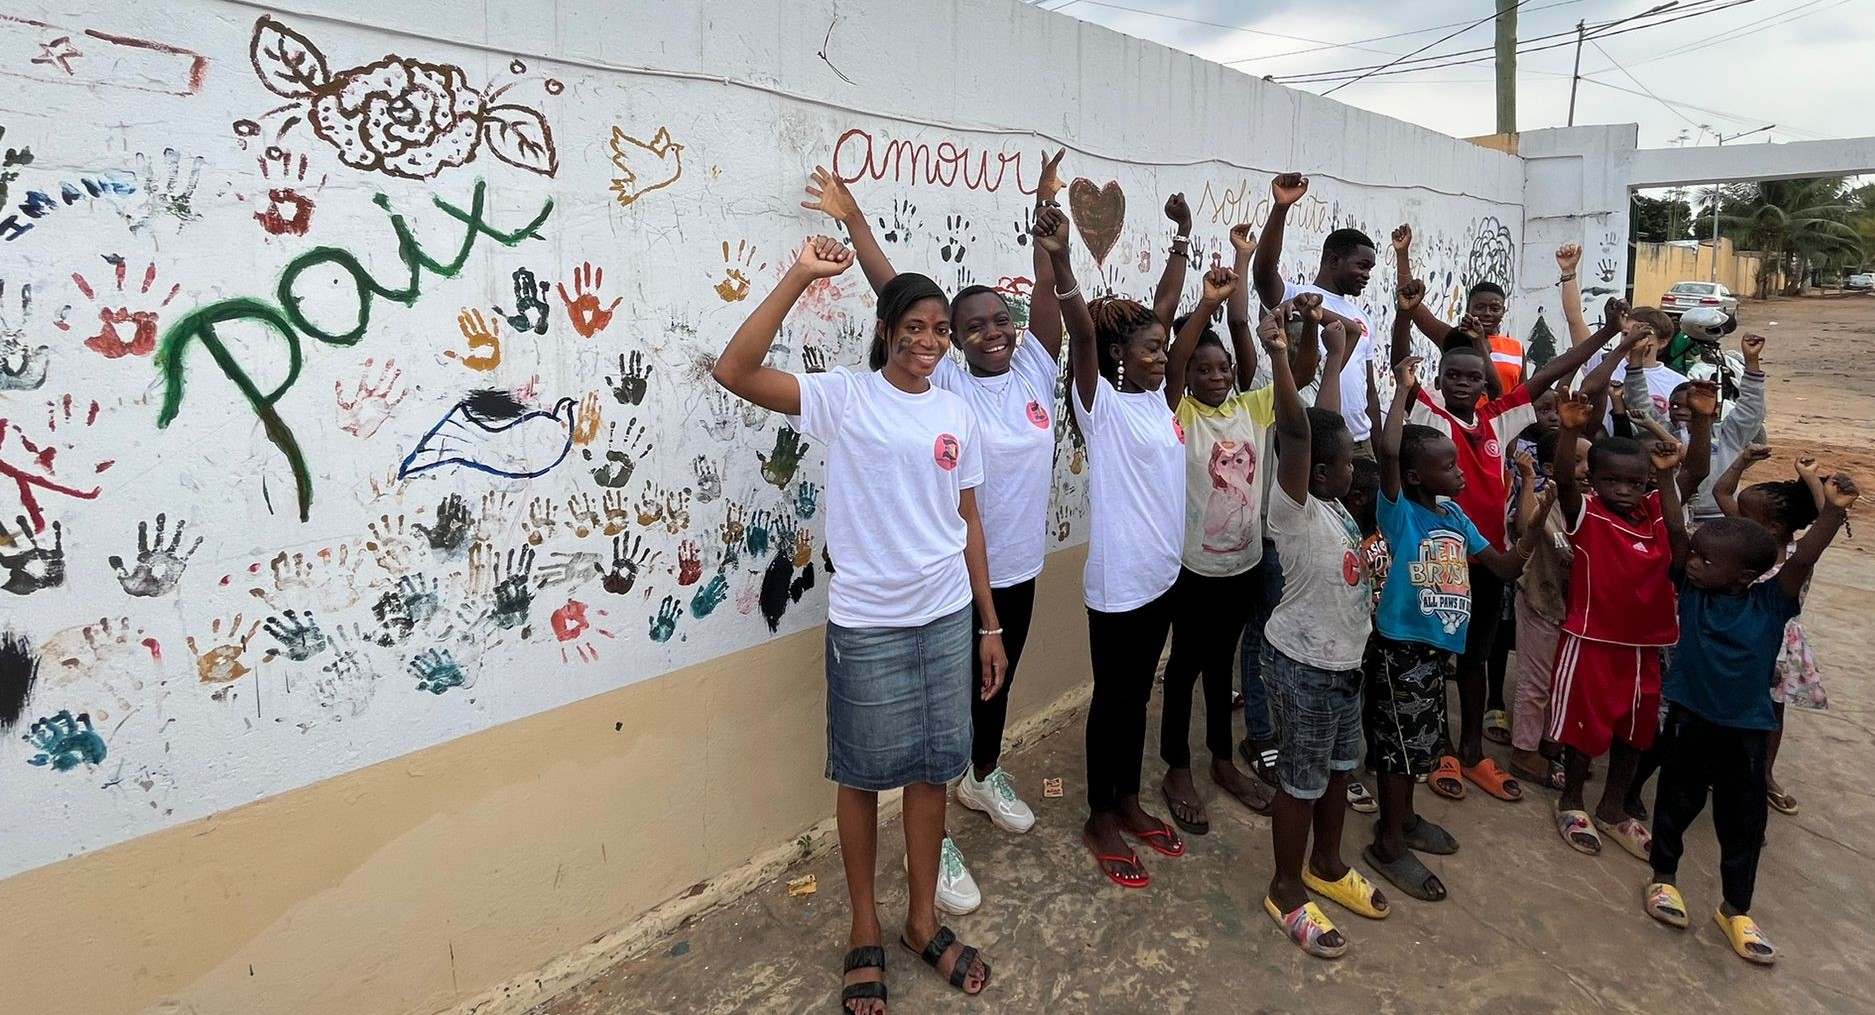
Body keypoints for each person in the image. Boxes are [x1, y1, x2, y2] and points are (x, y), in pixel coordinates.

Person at [711, 237, 1000, 1011]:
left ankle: (920, 920)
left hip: (946, 618)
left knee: (932, 772)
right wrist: (800, 274)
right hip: (869, 625)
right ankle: (864, 925)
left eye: (939, 328)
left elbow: (968, 520)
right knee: (863, 776)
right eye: (913, 326)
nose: (928, 340)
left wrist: (989, 625)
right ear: (884, 330)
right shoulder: (845, 398)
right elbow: (733, 370)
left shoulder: (956, 410)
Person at [801, 152, 1068, 913]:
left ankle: (982, 775)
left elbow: (1048, 295)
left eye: (999, 321)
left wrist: (1046, 226)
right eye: (970, 325)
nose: (989, 333)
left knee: (995, 688)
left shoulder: (1032, 368)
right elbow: (895, 292)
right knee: (942, 715)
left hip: (1017, 567)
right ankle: (938, 836)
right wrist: (854, 219)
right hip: (954, 578)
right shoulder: (944, 377)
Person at [1386, 270, 1612, 806]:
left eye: (1473, 376)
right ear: (1439, 379)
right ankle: (1442, 748)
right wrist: (1403, 316)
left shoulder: (1500, 418)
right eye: (1453, 375)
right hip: (1440, 560)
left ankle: (1471, 750)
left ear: (1486, 383)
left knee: (1478, 657)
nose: (1463, 384)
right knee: (1437, 651)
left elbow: (1555, 369)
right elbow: (1401, 367)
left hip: (1488, 558)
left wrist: (1608, 334)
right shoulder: (1428, 411)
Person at [1644, 474, 1858, 966]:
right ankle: (1664, 878)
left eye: (1706, 560)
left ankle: (1735, 908)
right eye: (1695, 555)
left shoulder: (1770, 602)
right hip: (1689, 719)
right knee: (1675, 801)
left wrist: (1832, 511)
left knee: (1742, 822)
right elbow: (1675, 531)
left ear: (1744, 576)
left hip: (1746, 731)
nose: (1693, 563)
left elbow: (1802, 559)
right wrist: (1666, 476)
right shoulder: (1691, 591)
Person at [1037, 200, 1189, 888]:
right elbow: (1081, 332)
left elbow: (1164, 306)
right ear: (1119, 356)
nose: (1164, 355)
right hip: (1119, 584)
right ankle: (1100, 815)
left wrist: (1181, 238)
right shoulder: (1099, 404)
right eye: (1151, 349)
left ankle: (1127, 798)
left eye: (1163, 347)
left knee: (1138, 696)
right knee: (1114, 700)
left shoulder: (1155, 398)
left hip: (1161, 576)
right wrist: (1064, 260)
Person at [1364, 353, 1539, 903]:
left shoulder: (1454, 515)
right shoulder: (1400, 512)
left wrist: (1535, 524)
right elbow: (1389, 450)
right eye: (1449, 467)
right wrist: (1403, 388)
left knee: (1419, 745)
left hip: (1433, 652)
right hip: (1399, 650)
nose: (1462, 472)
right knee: (1397, 752)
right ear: (1417, 476)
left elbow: (1504, 568)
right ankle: (1389, 842)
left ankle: (1405, 820)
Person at [1260, 305, 1386, 958]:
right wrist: (1281, 354)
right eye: (1344, 465)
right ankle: (1285, 887)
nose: (1353, 471)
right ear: (1314, 471)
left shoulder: (1332, 503)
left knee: (1339, 768)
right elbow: (1298, 432)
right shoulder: (1295, 508)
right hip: (1303, 666)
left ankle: (1327, 864)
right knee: (1300, 780)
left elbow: (1322, 421)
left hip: (1344, 666)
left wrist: (1335, 359)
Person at [1157, 256, 1286, 833]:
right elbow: (1174, 364)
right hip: (1195, 570)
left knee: (1220, 667)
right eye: (1202, 369)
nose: (1214, 376)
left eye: (1223, 367)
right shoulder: (1180, 415)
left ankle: (1222, 759)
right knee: (1184, 666)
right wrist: (1208, 303)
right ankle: (1177, 767)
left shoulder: (1250, 408)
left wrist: (1286, 341)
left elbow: (1300, 372)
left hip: (1244, 564)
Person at [1546, 389, 1689, 863]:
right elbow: (1563, 480)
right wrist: (1570, 431)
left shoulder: (1655, 512)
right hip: (1591, 640)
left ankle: (1612, 808)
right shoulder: (1587, 513)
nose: (1623, 490)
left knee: (1636, 731)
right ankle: (1572, 801)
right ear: (1594, 480)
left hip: (1644, 646)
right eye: (1611, 480)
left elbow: (1679, 519)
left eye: (1634, 482)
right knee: (1584, 729)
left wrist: (1667, 475)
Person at [1712, 447, 1829, 815]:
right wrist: (1743, 461)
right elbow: (1721, 492)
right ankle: (1721, 766)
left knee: (1771, 713)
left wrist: (1810, 477)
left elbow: (1827, 516)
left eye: (1745, 514)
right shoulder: (1746, 544)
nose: (1735, 516)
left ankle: (1763, 774)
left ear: (1774, 527)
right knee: (1724, 704)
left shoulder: (1798, 556)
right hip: (1736, 637)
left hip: (1777, 647)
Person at [1251, 172, 1379, 455]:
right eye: (1361, 266)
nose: (1366, 275)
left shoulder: (1362, 317)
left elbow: (1369, 390)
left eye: (1369, 269)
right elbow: (1263, 272)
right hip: (1314, 440)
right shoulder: (1294, 295)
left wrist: (1378, 449)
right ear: (1333, 260)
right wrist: (1281, 208)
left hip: (1360, 441)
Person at [1623, 333, 1769, 524]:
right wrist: (1635, 359)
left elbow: (1751, 409)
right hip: (1676, 513)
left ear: (1713, 411)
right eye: (1675, 406)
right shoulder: (1663, 430)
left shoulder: (1727, 434)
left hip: (1721, 514)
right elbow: (1638, 401)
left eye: (1691, 407)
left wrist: (1751, 361)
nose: (1681, 411)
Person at [1389, 223, 1520, 398]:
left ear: (1504, 310)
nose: (1487, 313)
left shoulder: (1516, 348)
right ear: (1468, 309)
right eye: (1480, 307)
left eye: (1494, 308)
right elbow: (1410, 302)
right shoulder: (1456, 339)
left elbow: (1517, 395)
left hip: (1498, 415)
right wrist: (1402, 255)